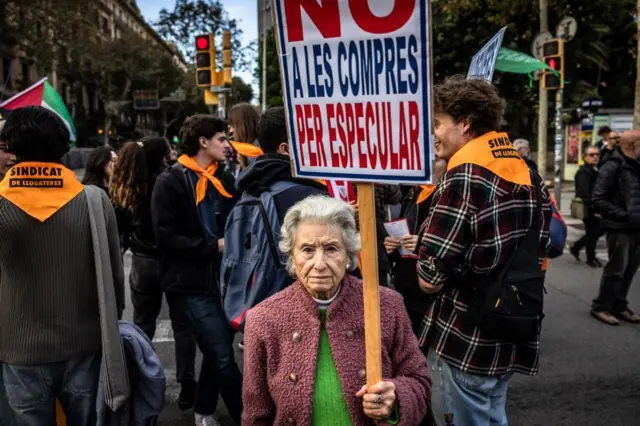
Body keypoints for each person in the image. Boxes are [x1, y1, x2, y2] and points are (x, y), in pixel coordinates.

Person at [417, 77, 551, 425]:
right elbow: (543, 241)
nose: (433, 134)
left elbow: (431, 271)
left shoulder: (464, 174)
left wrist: (423, 266)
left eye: (437, 124)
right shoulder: (526, 170)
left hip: (466, 332)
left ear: (464, 123)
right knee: (491, 412)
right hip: (511, 320)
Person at [242, 195, 433, 425]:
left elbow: (420, 381)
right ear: (292, 255)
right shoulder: (263, 319)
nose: (319, 264)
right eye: (307, 250)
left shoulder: (386, 305)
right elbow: (255, 415)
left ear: (349, 254)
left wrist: (396, 399)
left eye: (331, 248)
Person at [0, 106, 124, 424]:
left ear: (12, 147)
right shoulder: (95, 201)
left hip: (18, 351)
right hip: (85, 346)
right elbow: (114, 282)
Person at [151, 114, 242, 425]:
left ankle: (203, 410)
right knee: (222, 355)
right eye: (221, 139)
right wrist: (211, 247)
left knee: (217, 348)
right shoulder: (171, 181)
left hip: (225, 282)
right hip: (190, 284)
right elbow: (165, 237)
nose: (227, 145)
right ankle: (250, 417)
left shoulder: (225, 179)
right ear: (203, 142)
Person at [110, 137, 198, 410]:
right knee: (183, 325)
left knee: (142, 326)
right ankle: (187, 386)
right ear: (163, 157)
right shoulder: (173, 181)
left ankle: (140, 380)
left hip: (143, 262)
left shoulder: (132, 186)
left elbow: (121, 230)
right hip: (174, 259)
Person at [384, 158, 448, 334]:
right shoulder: (415, 194)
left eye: (438, 158)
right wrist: (392, 248)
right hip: (407, 283)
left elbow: (451, 245)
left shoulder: (448, 198)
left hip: (430, 286)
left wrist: (421, 244)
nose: (431, 161)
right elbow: (405, 232)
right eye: (428, 156)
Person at [590, 130, 640, 326]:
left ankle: (619, 305)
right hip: (620, 228)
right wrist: (625, 215)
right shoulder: (613, 165)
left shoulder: (635, 165)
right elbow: (598, 199)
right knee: (616, 270)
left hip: (636, 227)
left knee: (630, 270)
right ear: (632, 145)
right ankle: (601, 306)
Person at [570, 146, 604, 267]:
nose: (595, 157)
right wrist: (595, 208)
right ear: (585, 157)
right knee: (593, 232)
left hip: (595, 206)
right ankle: (590, 258)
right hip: (589, 208)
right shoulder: (583, 172)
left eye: (597, 154)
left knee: (596, 232)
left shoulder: (595, 169)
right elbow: (585, 193)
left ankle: (576, 247)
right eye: (591, 155)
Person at [228, 102, 261, 170]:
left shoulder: (254, 151)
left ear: (244, 125)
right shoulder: (250, 147)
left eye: (233, 126)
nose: (230, 131)